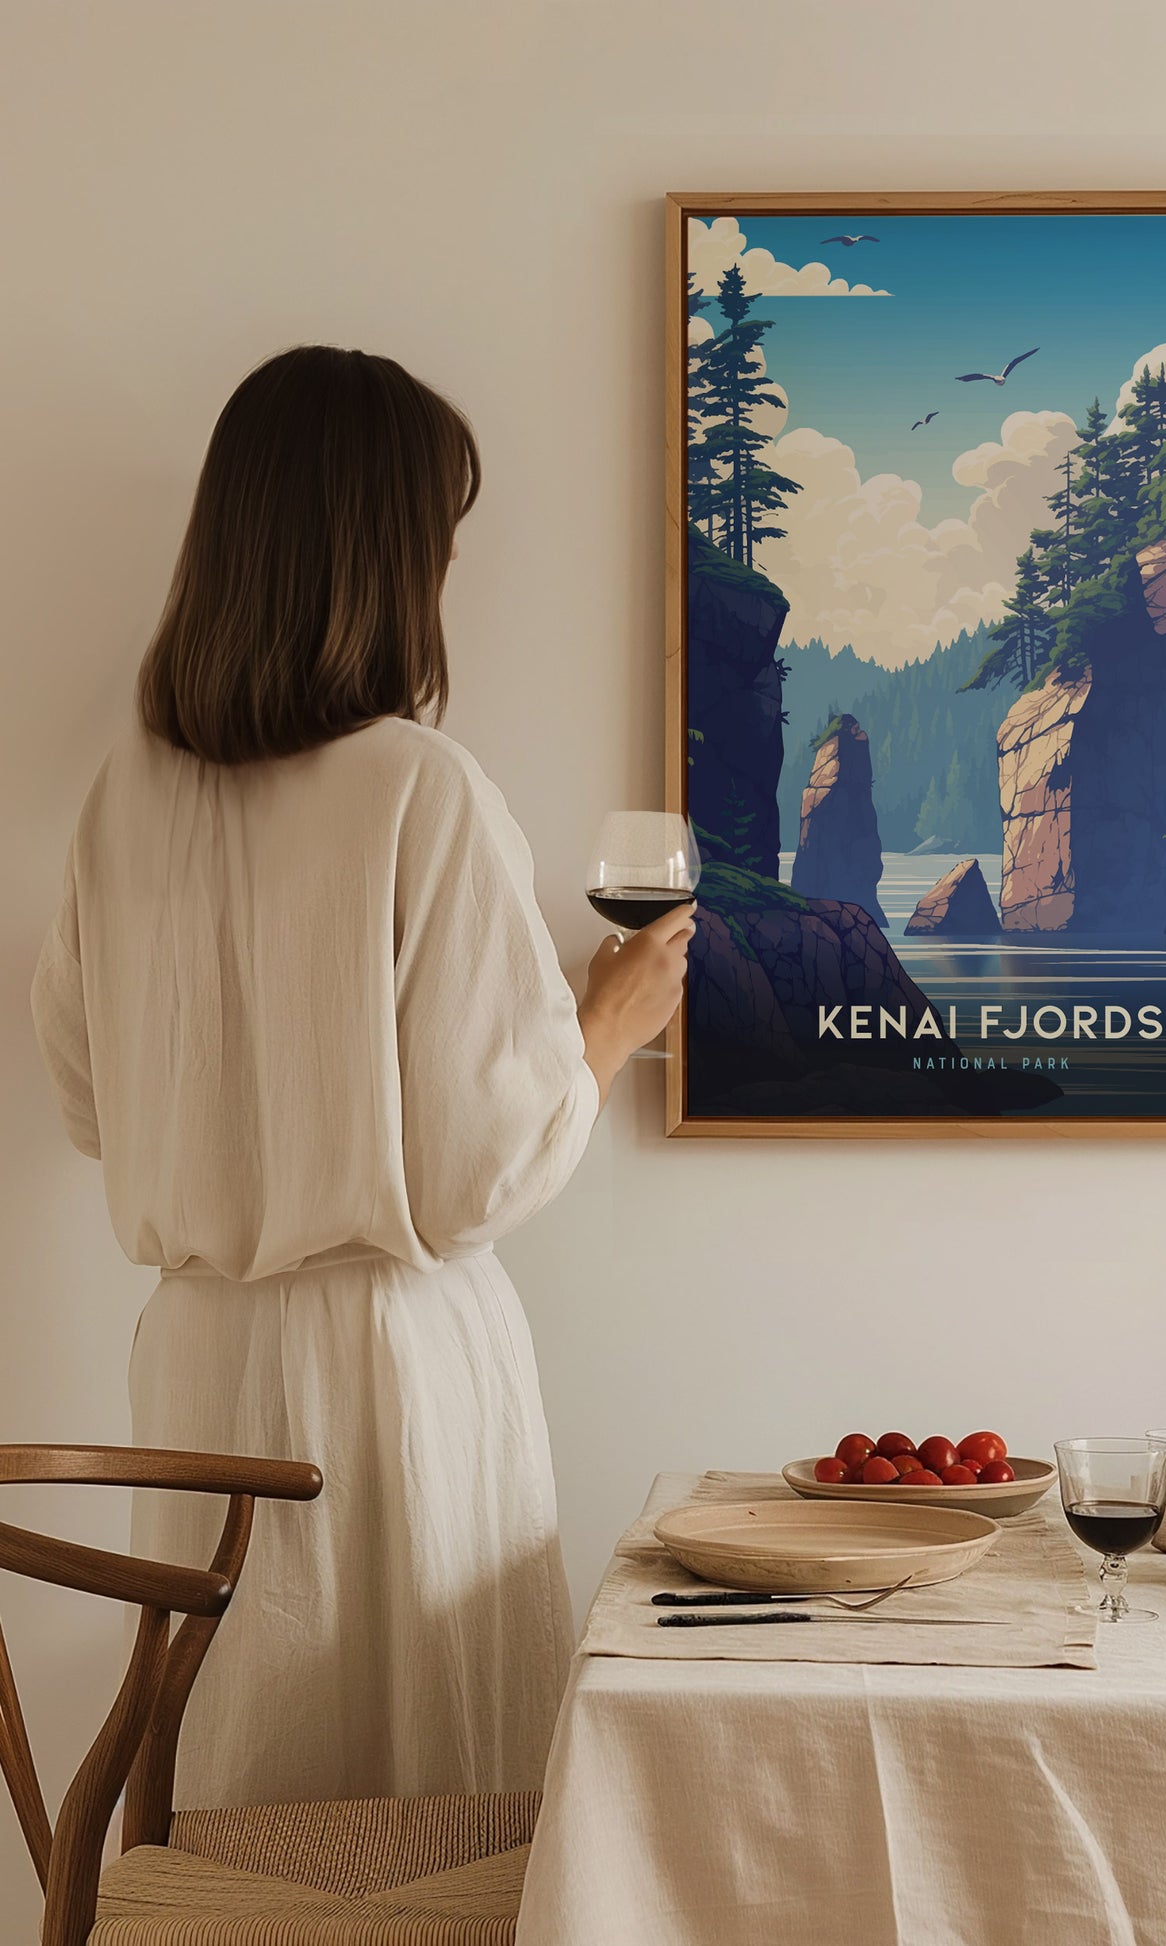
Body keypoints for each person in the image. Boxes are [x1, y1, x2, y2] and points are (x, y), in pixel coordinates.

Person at [29, 345, 691, 1806]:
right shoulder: (418, 786)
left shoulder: (122, 797)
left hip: (196, 1362)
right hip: (391, 1373)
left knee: (240, 1791)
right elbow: (473, 1173)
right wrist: (606, 1021)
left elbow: (87, 1100)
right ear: (387, 556)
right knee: (423, 1810)